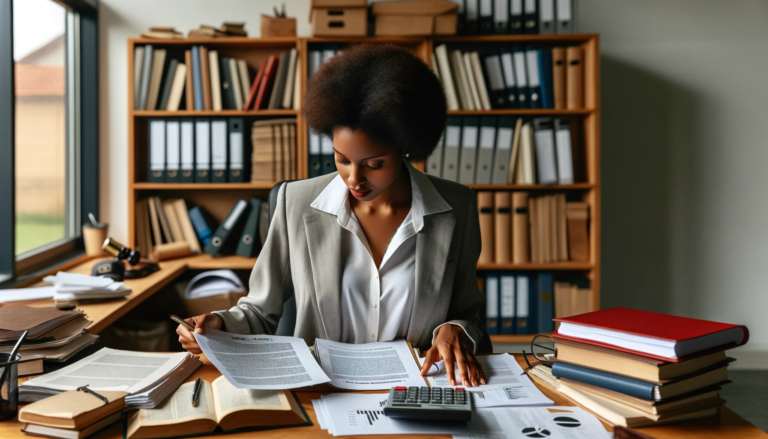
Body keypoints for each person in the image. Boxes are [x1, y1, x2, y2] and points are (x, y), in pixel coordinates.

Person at [177, 44, 486, 387]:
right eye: (342, 159)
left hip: (420, 384)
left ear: (406, 146)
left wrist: (454, 329)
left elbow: (467, 312)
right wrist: (217, 325)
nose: (354, 178)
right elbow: (259, 313)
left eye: (374, 164)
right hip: (323, 390)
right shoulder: (295, 202)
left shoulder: (456, 206)